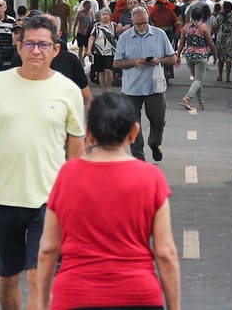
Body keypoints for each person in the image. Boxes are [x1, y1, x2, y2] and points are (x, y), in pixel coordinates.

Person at [0, 15, 85, 310]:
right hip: (3, 199)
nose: (36, 50)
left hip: (50, 202)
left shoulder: (68, 91)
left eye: (43, 44)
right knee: (8, 279)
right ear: (19, 46)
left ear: (56, 50)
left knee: (39, 277)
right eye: (30, 43)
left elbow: (77, 151)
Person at [36, 93, 180, 310]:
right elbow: (165, 252)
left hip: (75, 296)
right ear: (134, 133)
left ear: (88, 134)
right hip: (138, 296)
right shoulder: (151, 178)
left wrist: (41, 302)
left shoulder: (67, 175)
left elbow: (48, 248)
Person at [113, 6, 176, 162]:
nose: (142, 27)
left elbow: (173, 58)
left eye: (144, 23)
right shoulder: (125, 38)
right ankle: (139, 157)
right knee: (133, 125)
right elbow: (117, 63)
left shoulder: (159, 35)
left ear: (149, 20)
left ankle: (154, 144)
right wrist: (135, 62)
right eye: (138, 24)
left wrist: (158, 61)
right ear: (132, 22)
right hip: (131, 89)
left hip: (154, 87)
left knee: (158, 120)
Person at [176, 5, 217, 112]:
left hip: (189, 55)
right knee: (198, 80)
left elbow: (181, 43)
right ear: (202, 16)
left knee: (196, 80)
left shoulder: (185, 28)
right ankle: (187, 98)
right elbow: (210, 43)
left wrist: (178, 55)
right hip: (201, 55)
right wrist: (215, 54)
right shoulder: (203, 28)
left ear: (190, 15)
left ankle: (201, 103)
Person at [149, 0, 182, 81]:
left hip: (169, 35)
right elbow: (148, 22)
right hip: (156, 35)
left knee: (168, 53)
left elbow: (177, 23)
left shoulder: (170, 12)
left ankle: (168, 72)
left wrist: (177, 32)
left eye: (162, 4)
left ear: (165, 4)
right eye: (159, 3)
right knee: (158, 53)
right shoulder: (154, 12)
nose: (161, 5)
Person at [87, 7, 117, 93]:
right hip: (98, 51)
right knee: (100, 72)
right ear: (100, 16)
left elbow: (119, 35)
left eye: (107, 14)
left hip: (110, 51)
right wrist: (89, 49)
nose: (105, 16)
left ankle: (109, 87)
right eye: (103, 14)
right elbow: (91, 38)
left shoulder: (113, 25)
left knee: (108, 70)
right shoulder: (96, 26)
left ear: (110, 16)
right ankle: (103, 90)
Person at [213, 0, 232, 82]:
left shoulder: (219, 16)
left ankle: (220, 76)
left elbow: (214, 26)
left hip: (220, 39)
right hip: (231, 39)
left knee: (220, 59)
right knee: (229, 59)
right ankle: (227, 77)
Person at [72, 0, 94, 64]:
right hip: (81, 33)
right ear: (84, 6)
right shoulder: (80, 13)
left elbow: (92, 23)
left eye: (89, 6)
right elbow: (75, 23)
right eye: (87, 6)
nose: (88, 7)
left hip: (88, 33)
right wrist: (73, 33)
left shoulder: (91, 13)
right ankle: (80, 61)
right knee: (80, 48)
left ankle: (82, 58)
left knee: (88, 48)